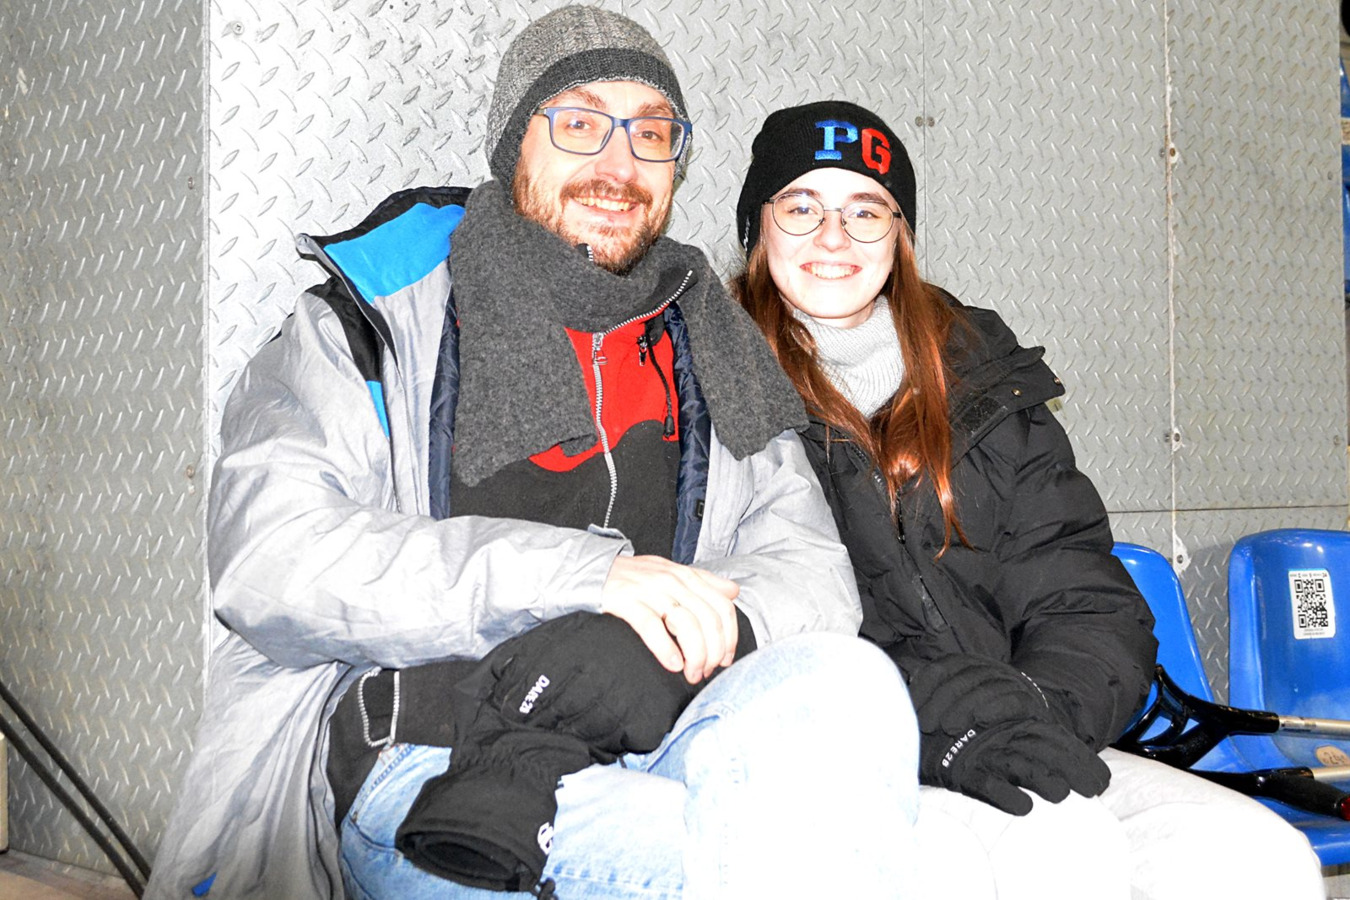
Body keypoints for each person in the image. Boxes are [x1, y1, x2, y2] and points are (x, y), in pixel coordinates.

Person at [144, 12, 921, 900]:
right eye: (580, 123)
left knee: (851, 682)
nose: (619, 167)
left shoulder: (710, 340)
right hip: (431, 755)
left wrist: (685, 637)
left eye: (651, 134)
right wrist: (587, 581)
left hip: (656, 730)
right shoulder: (377, 318)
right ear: (514, 140)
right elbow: (271, 561)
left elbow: (812, 570)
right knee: (730, 859)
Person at [732, 99, 1326, 900]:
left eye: (865, 210)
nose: (834, 236)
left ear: (901, 236)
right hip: (834, 747)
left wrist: (1038, 714)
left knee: (1253, 856)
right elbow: (760, 621)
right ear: (757, 227)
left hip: (1021, 722)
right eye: (802, 206)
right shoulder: (715, 381)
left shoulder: (979, 372)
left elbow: (1082, 597)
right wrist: (952, 726)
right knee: (1057, 846)